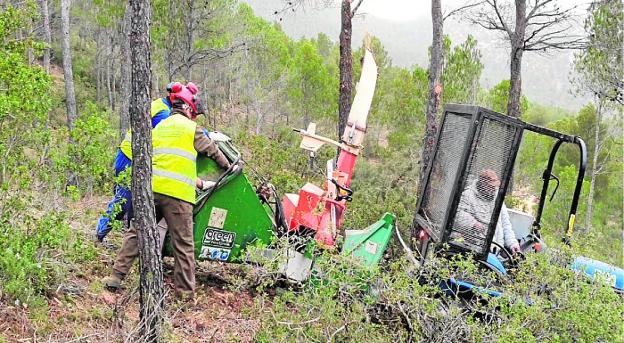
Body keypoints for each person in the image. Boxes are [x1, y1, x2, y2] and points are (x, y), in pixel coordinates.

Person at [102, 84, 231, 297]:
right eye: (195, 113)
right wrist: (229, 166)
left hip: (152, 191)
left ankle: (116, 276)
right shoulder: (191, 128)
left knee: (136, 232)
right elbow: (211, 150)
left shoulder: (159, 127)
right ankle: (185, 293)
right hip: (178, 196)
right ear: (189, 109)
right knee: (183, 245)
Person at [95, 82, 199, 242]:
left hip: (133, 158)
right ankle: (99, 234)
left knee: (133, 205)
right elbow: (180, 130)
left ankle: (129, 239)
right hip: (130, 158)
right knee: (123, 201)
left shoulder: (162, 106)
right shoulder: (164, 114)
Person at [454, 169, 520, 254]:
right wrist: (473, 223)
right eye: (491, 187)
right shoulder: (468, 195)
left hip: (497, 249)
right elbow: (458, 215)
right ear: (482, 184)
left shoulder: (497, 196)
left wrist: (512, 243)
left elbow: (505, 223)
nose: (494, 189)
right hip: (475, 250)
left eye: (495, 186)